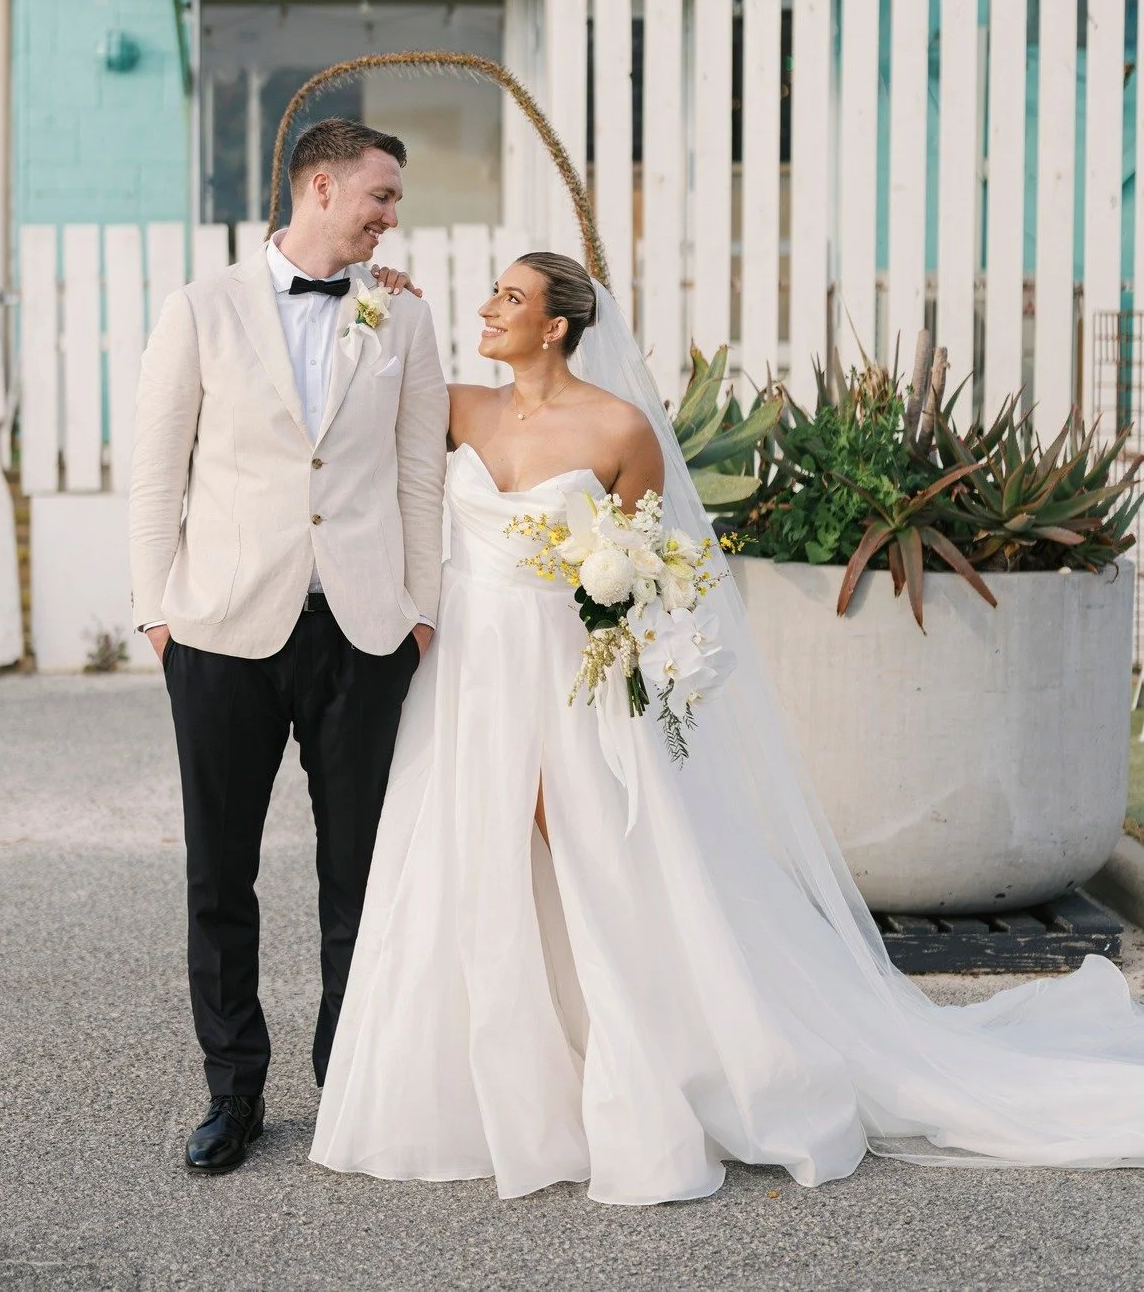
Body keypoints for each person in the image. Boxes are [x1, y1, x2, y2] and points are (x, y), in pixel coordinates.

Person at [312, 250, 1144, 1205]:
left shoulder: (621, 428)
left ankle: (639, 1069)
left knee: (587, 858)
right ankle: (478, 1092)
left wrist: (628, 666)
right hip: (465, 673)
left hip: (562, 675)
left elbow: (652, 564)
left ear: (556, 327)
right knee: (463, 855)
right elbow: (345, 419)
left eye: (511, 296)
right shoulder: (457, 405)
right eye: (492, 292)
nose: (488, 307)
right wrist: (373, 307)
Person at [128, 118, 448, 1175]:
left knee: (360, 872)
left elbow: (418, 475)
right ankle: (234, 1092)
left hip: (361, 632)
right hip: (222, 630)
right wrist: (161, 615)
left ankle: (351, 1083)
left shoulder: (401, 314)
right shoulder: (200, 307)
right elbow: (156, 470)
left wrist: (420, 614)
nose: (392, 215)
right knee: (220, 872)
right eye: (381, 194)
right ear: (321, 185)